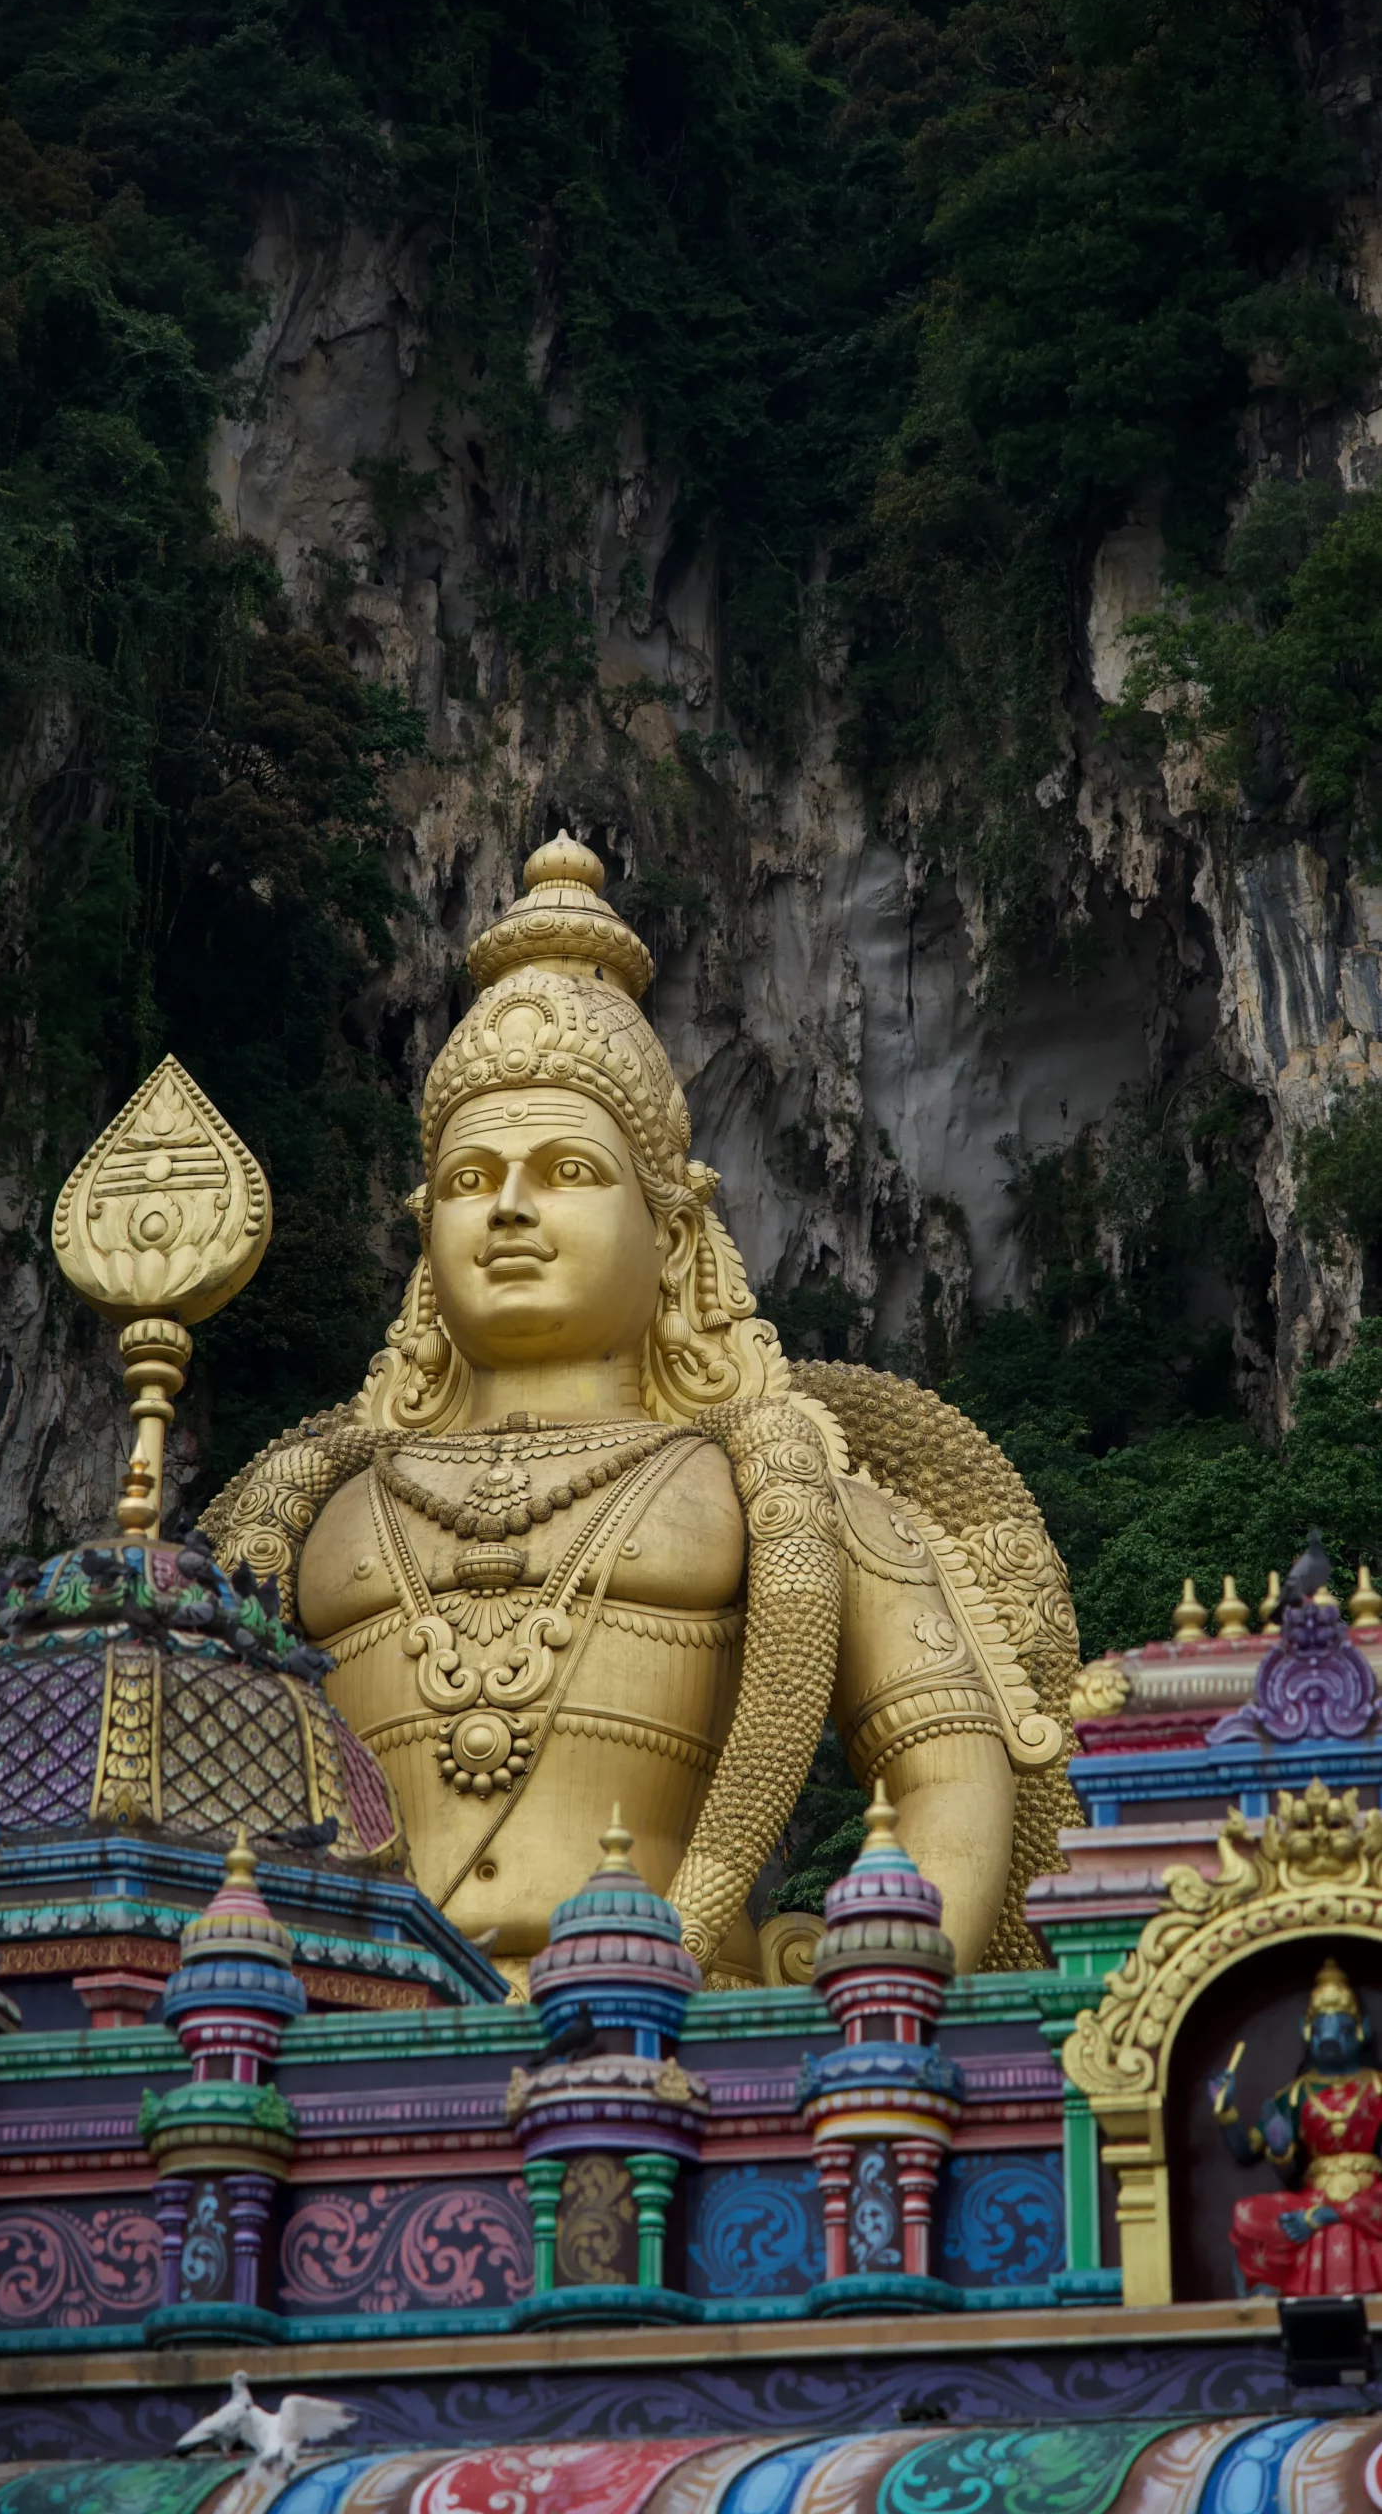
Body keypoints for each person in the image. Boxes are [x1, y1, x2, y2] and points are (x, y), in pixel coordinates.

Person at [203, 836, 1076, 1979]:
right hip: (338, 2037)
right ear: (424, 1234)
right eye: (471, 1180)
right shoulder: (314, 1499)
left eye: (566, 1170)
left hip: (678, 2034)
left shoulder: (782, 1483)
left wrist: (869, 2014)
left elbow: (948, 1771)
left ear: (670, 1233)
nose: (508, 1208)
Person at [1210, 1960, 1382, 2295]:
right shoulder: (1293, 2096)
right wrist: (1226, 2112)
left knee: (1335, 2225)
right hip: (1311, 2197)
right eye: (1320, 2031)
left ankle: (1330, 2218)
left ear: (1362, 2030)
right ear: (1306, 2031)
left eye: (1343, 2030)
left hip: (1369, 2195)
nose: (1330, 2040)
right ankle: (1260, 2315)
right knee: (1247, 2215)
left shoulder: (1377, 2088)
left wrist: (1337, 2211)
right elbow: (1246, 2151)